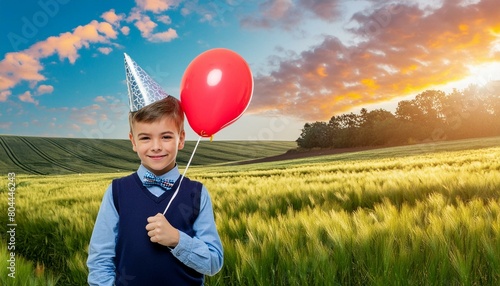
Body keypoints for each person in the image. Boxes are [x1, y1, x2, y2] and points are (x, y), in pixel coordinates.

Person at [87, 54, 223, 285]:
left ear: (181, 139)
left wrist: (177, 240)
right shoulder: (117, 192)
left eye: (166, 136)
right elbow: (100, 259)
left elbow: (213, 262)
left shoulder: (197, 194)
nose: (156, 146)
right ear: (133, 141)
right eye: (146, 138)